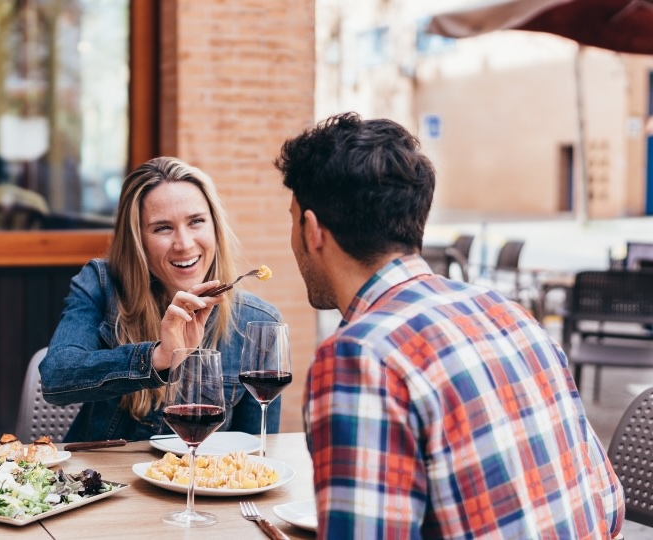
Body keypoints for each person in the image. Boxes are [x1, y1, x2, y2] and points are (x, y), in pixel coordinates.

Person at [276, 113, 623, 538]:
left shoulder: (360, 355)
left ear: (311, 230)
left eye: (292, 219)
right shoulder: (508, 313)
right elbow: (608, 507)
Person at [40, 157, 282, 442]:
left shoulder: (258, 322)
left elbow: (254, 451)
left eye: (196, 222)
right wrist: (158, 358)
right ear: (137, 240)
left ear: (215, 227)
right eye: (162, 228)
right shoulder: (102, 284)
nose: (184, 244)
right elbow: (57, 378)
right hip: (103, 481)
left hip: (200, 484)